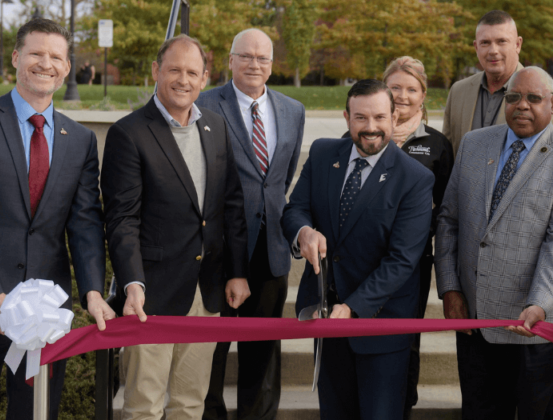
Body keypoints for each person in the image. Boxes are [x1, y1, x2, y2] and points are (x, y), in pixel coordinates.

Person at [0, 18, 116, 420]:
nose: (45, 63)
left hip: (44, 317)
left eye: (56, 56)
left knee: (34, 415)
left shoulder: (81, 140)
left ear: (67, 68)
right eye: (35, 53)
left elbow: (84, 223)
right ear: (16, 58)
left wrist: (92, 292)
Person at [101, 34, 251, 420]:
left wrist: (236, 272)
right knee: (143, 405)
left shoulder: (215, 128)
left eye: (192, 72)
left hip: (206, 290)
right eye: (174, 70)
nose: (183, 80)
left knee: (190, 403)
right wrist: (132, 282)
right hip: (151, 295)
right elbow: (122, 219)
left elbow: (230, 205)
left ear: (204, 78)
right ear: (156, 71)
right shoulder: (129, 133)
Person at [435, 67, 553, 420]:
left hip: (535, 329)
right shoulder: (475, 144)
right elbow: (448, 220)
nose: (522, 106)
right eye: (513, 97)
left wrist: (539, 303)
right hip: (475, 323)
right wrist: (449, 288)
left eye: (534, 98)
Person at [282, 79, 433, 420]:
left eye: (380, 117)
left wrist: (352, 307)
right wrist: (303, 232)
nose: (371, 128)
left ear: (394, 117)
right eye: (361, 118)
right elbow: (295, 209)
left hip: (381, 326)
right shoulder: (322, 153)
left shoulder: (415, 178)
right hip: (326, 319)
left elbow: (402, 260)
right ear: (346, 117)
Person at [196, 28, 305, 420]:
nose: (254, 64)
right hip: (217, 248)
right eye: (246, 56)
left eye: (262, 58)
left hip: (271, 250)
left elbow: (281, 178)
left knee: (263, 352)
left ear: (272, 65)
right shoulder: (204, 104)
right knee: (210, 350)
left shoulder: (293, 110)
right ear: (229, 60)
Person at [340, 56, 453, 420]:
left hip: (409, 263)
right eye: (395, 88)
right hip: (356, 260)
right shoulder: (355, 137)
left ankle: (400, 407)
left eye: (412, 89)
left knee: (404, 340)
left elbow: (448, 208)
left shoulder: (437, 144)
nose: (402, 95)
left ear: (423, 96)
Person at [442, 10, 553, 153]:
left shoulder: (549, 90)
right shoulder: (458, 91)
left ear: (518, 45)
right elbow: (447, 158)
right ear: (476, 47)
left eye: (502, 41)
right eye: (485, 43)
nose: (493, 50)